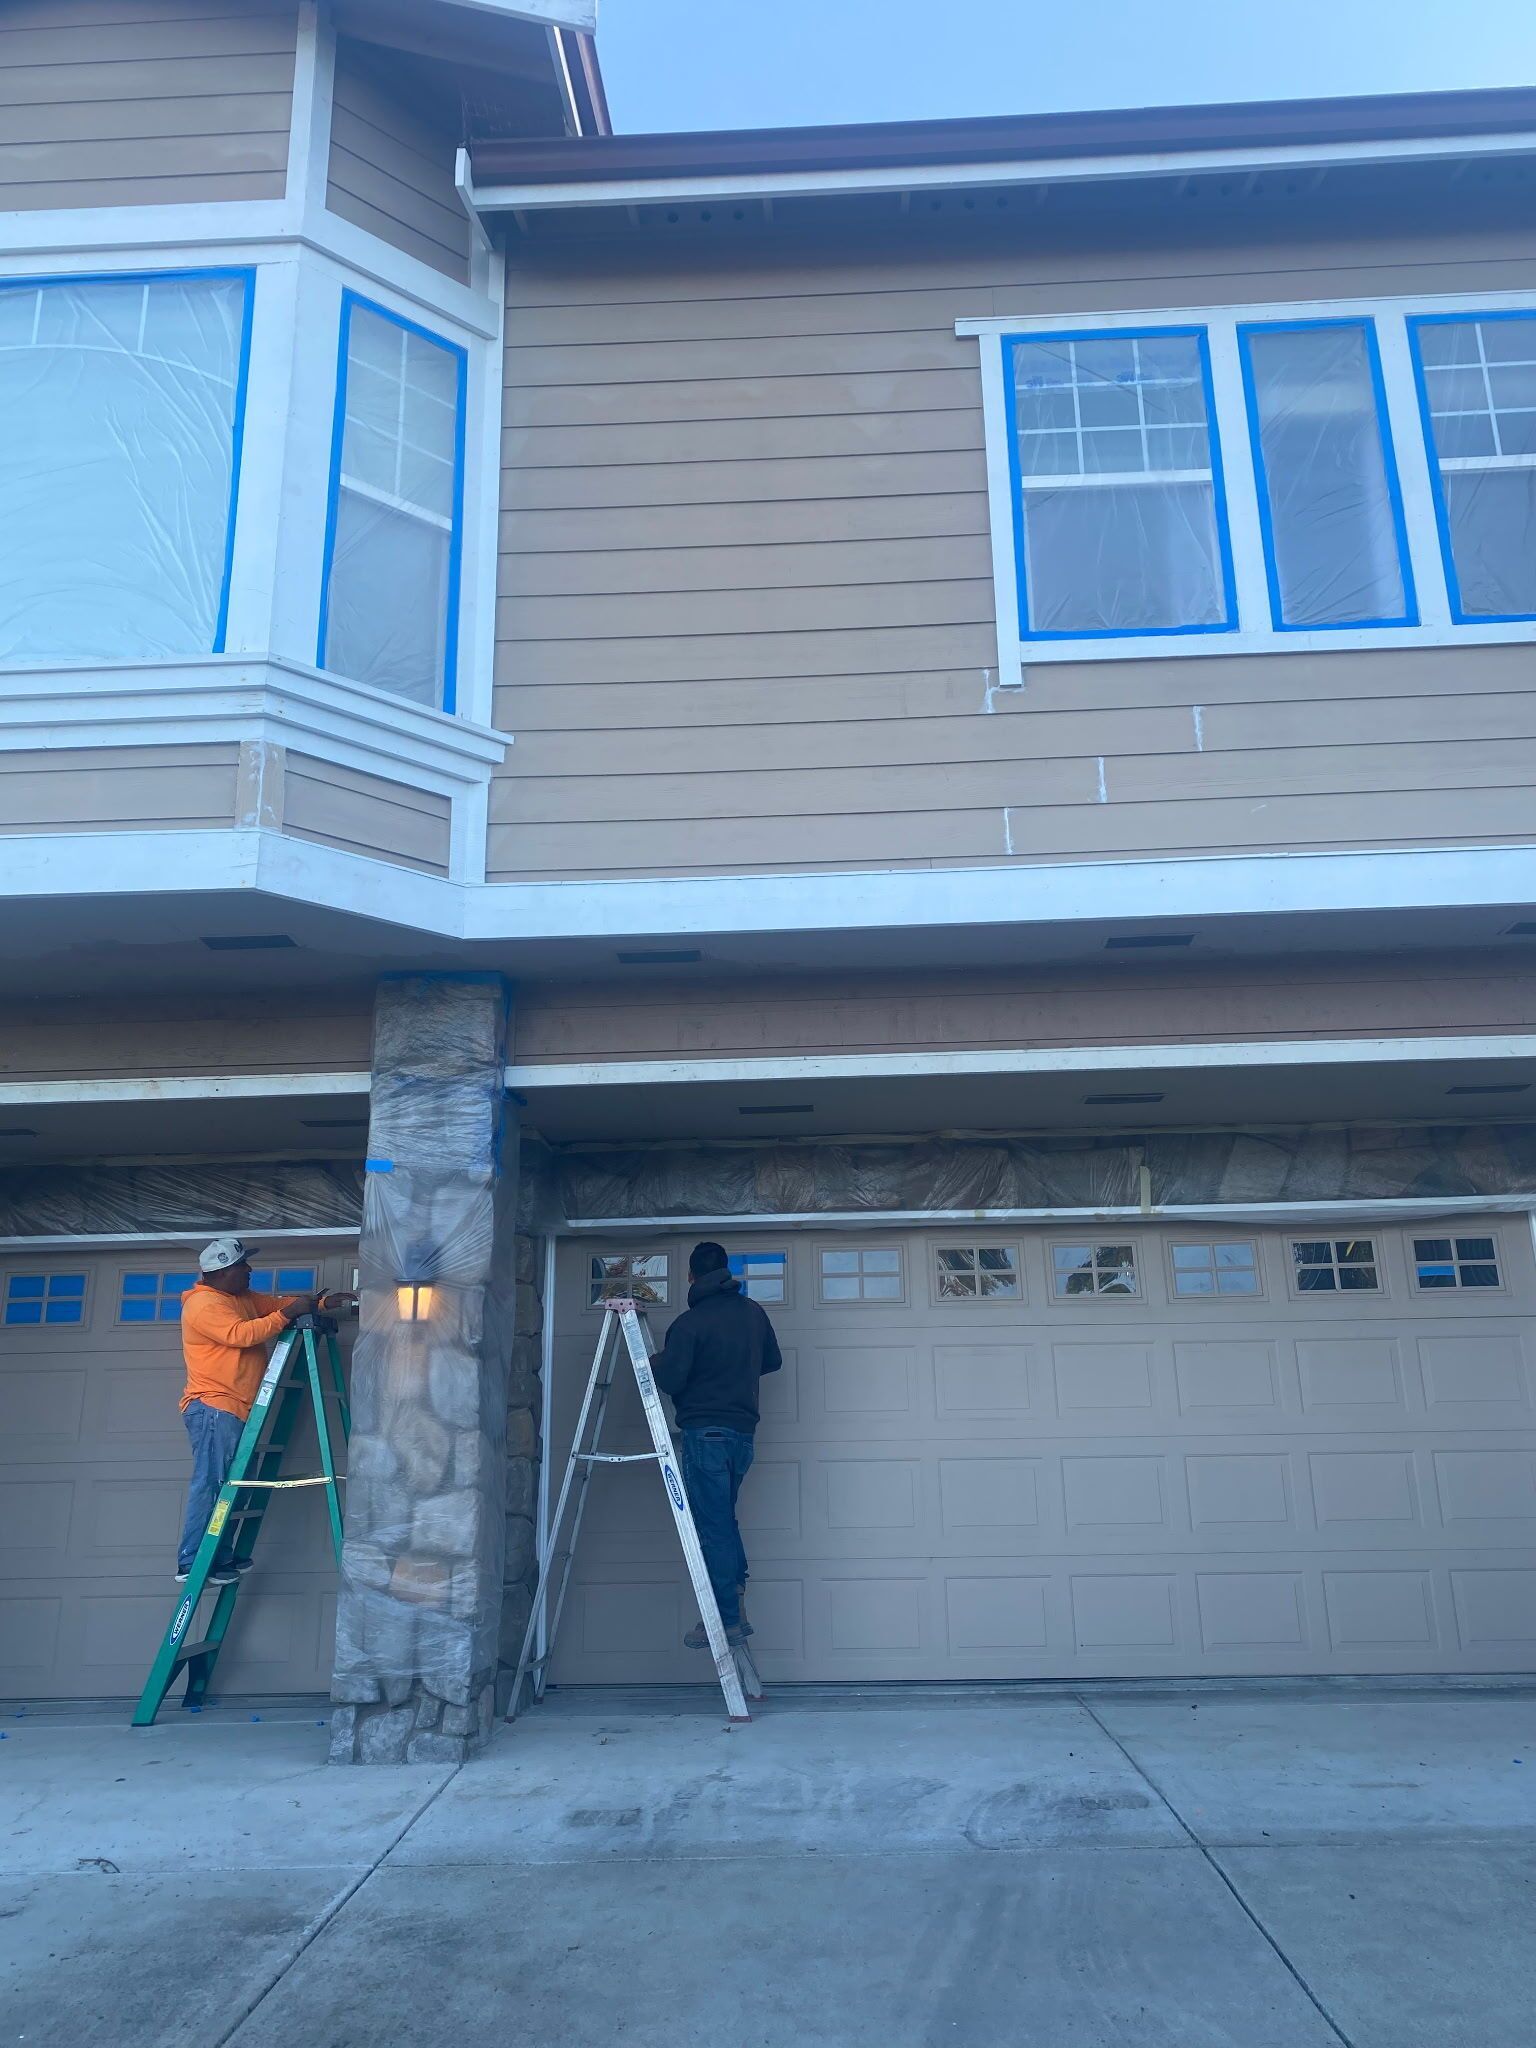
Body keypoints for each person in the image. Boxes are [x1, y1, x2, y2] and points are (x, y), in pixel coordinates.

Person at [174, 1236, 352, 1585]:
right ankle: (193, 1561)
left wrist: (322, 1302)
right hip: (215, 1406)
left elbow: (273, 1305)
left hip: (235, 1408)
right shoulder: (204, 1305)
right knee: (213, 1483)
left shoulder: (236, 1297)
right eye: (242, 1265)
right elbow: (242, 1335)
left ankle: (220, 1556)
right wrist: (289, 1314)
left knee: (232, 1483)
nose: (249, 1270)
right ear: (223, 1271)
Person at [650, 1241, 782, 1649]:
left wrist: (651, 1362)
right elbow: (772, 1361)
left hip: (706, 1434)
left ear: (691, 1277)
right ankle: (734, 1605)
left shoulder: (690, 1325)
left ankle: (724, 1619)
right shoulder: (753, 1314)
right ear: (727, 1272)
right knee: (723, 1521)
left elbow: (670, 1382)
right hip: (743, 1436)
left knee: (713, 1527)